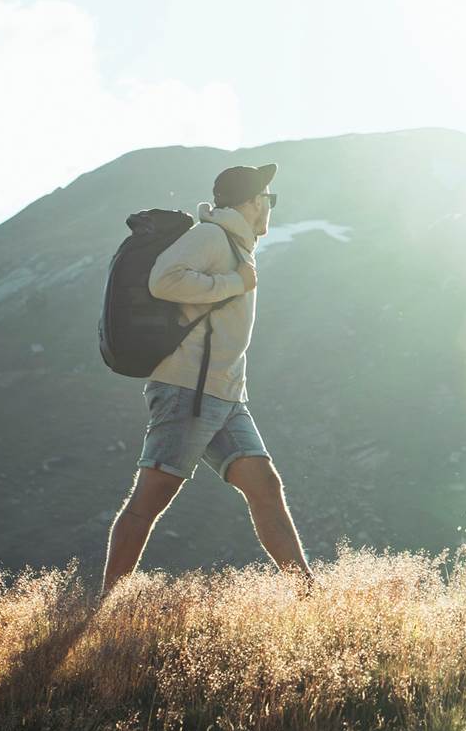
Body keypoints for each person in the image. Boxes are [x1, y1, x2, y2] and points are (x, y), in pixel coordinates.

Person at [100, 162, 313, 597]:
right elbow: (164, 280)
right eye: (268, 199)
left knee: (265, 487)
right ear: (253, 202)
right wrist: (234, 282)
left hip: (226, 395)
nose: (270, 208)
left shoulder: (236, 243)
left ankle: (309, 596)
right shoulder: (212, 236)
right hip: (187, 391)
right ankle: (101, 609)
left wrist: (235, 279)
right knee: (150, 499)